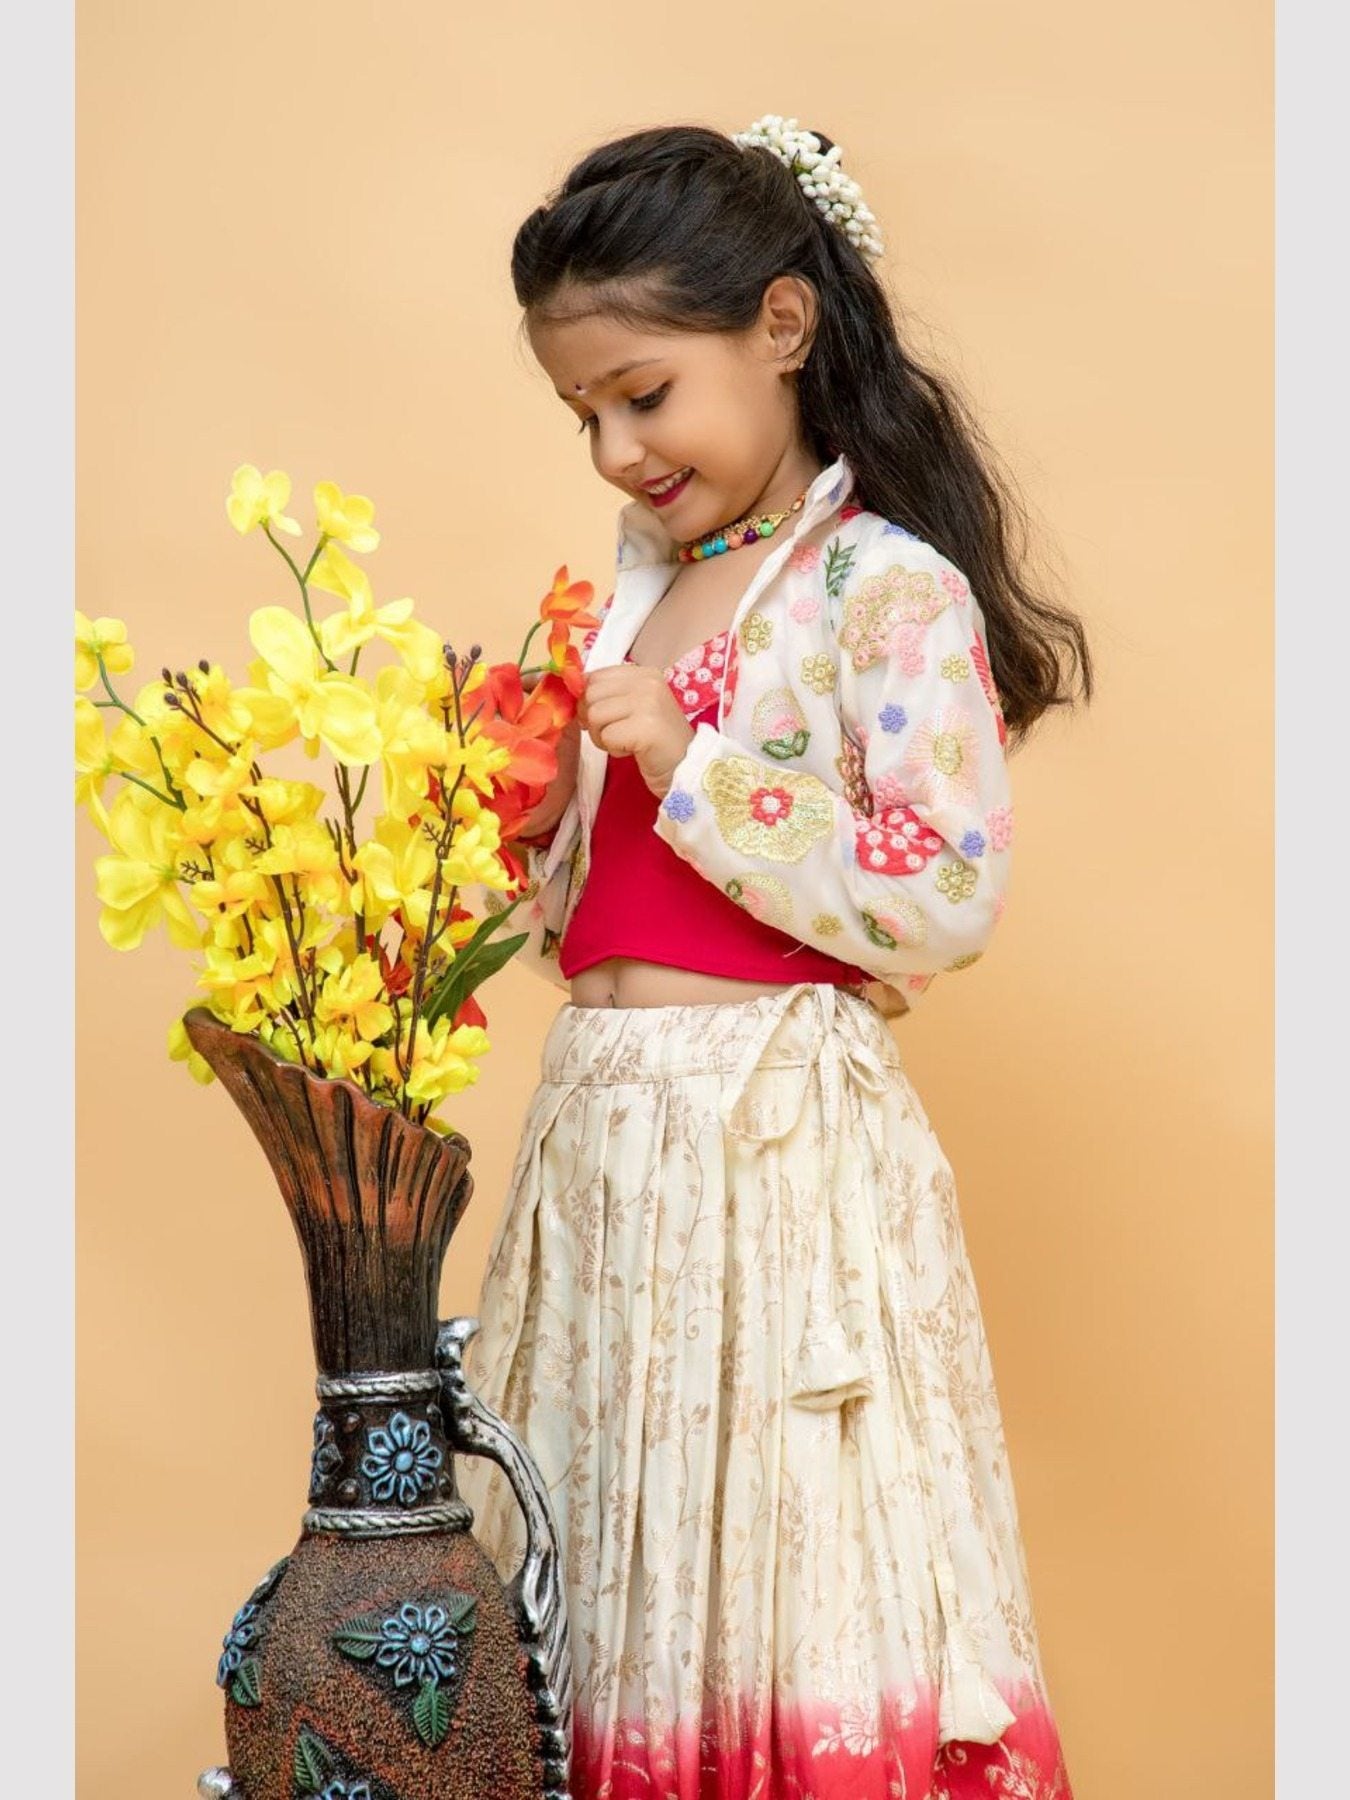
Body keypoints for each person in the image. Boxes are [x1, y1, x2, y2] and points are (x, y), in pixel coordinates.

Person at [456, 115, 1092, 1800]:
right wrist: (528, 823)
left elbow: (942, 892)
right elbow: (608, 936)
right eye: (581, 411)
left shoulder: (881, 591)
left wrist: (690, 760)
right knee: (603, 1581)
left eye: (642, 393)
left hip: (770, 1158)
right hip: (601, 1141)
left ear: (783, 327)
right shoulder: (634, 596)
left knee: (781, 1579)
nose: (611, 449)